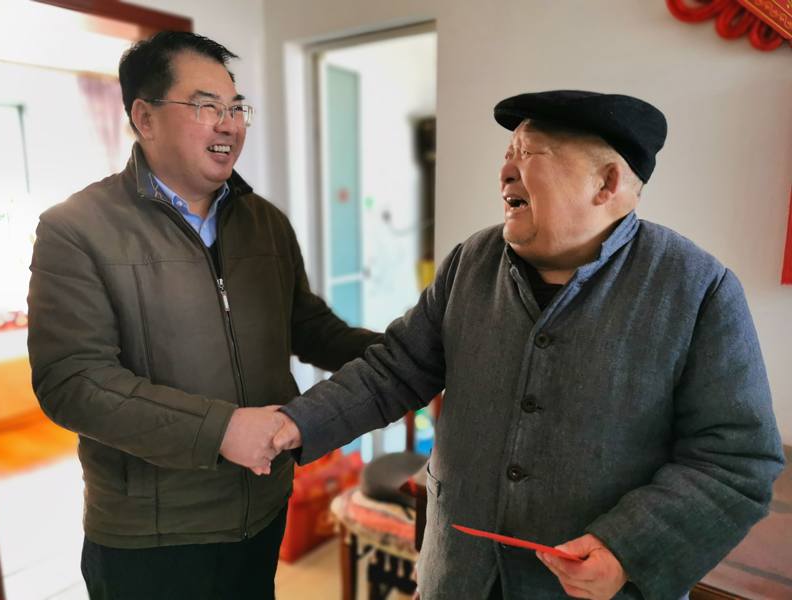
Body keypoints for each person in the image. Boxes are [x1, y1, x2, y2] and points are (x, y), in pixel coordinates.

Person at [270, 90, 785, 599]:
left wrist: (627, 550)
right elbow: (394, 369)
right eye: (508, 154)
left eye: (529, 154)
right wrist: (295, 423)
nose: (505, 173)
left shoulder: (696, 288)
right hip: (458, 578)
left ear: (606, 183)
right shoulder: (470, 262)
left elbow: (736, 460)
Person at [27, 31, 381, 600]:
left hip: (261, 508)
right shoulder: (77, 229)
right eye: (206, 106)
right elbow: (72, 382)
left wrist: (410, 353)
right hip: (151, 537)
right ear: (144, 117)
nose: (229, 125)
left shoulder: (265, 223)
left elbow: (309, 328)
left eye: (236, 108)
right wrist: (221, 430)